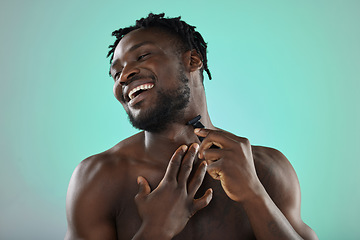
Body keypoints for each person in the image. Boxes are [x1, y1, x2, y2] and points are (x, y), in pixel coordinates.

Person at [65, 13, 318, 240]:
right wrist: (155, 230)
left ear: (194, 60)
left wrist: (255, 195)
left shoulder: (267, 169)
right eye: (115, 73)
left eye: (142, 56)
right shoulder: (98, 179)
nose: (124, 76)